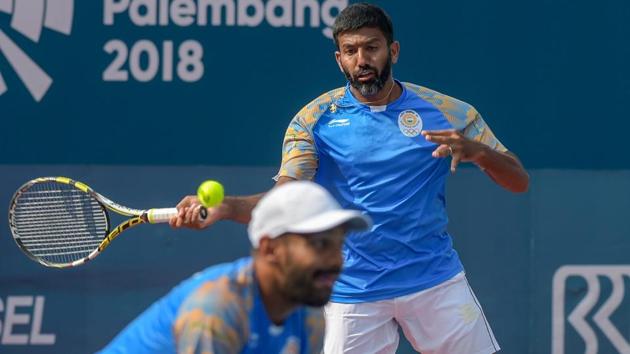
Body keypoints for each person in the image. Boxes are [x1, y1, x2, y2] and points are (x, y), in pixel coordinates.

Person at [172, 3, 529, 353]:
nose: (362, 60)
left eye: (371, 48)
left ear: (393, 51)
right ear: (339, 59)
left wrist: (479, 153)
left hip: (435, 282)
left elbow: (518, 180)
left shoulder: (448, 112)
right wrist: (225, 206)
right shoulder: (313, 121)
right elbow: (285, 201)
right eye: (350, 50)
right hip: (353, 291)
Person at [99, 181, 370, 354]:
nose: (336, 261)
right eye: (320, 245)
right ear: (270, 249)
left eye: (338, 245)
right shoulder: (216, 310)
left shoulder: (308, 315)